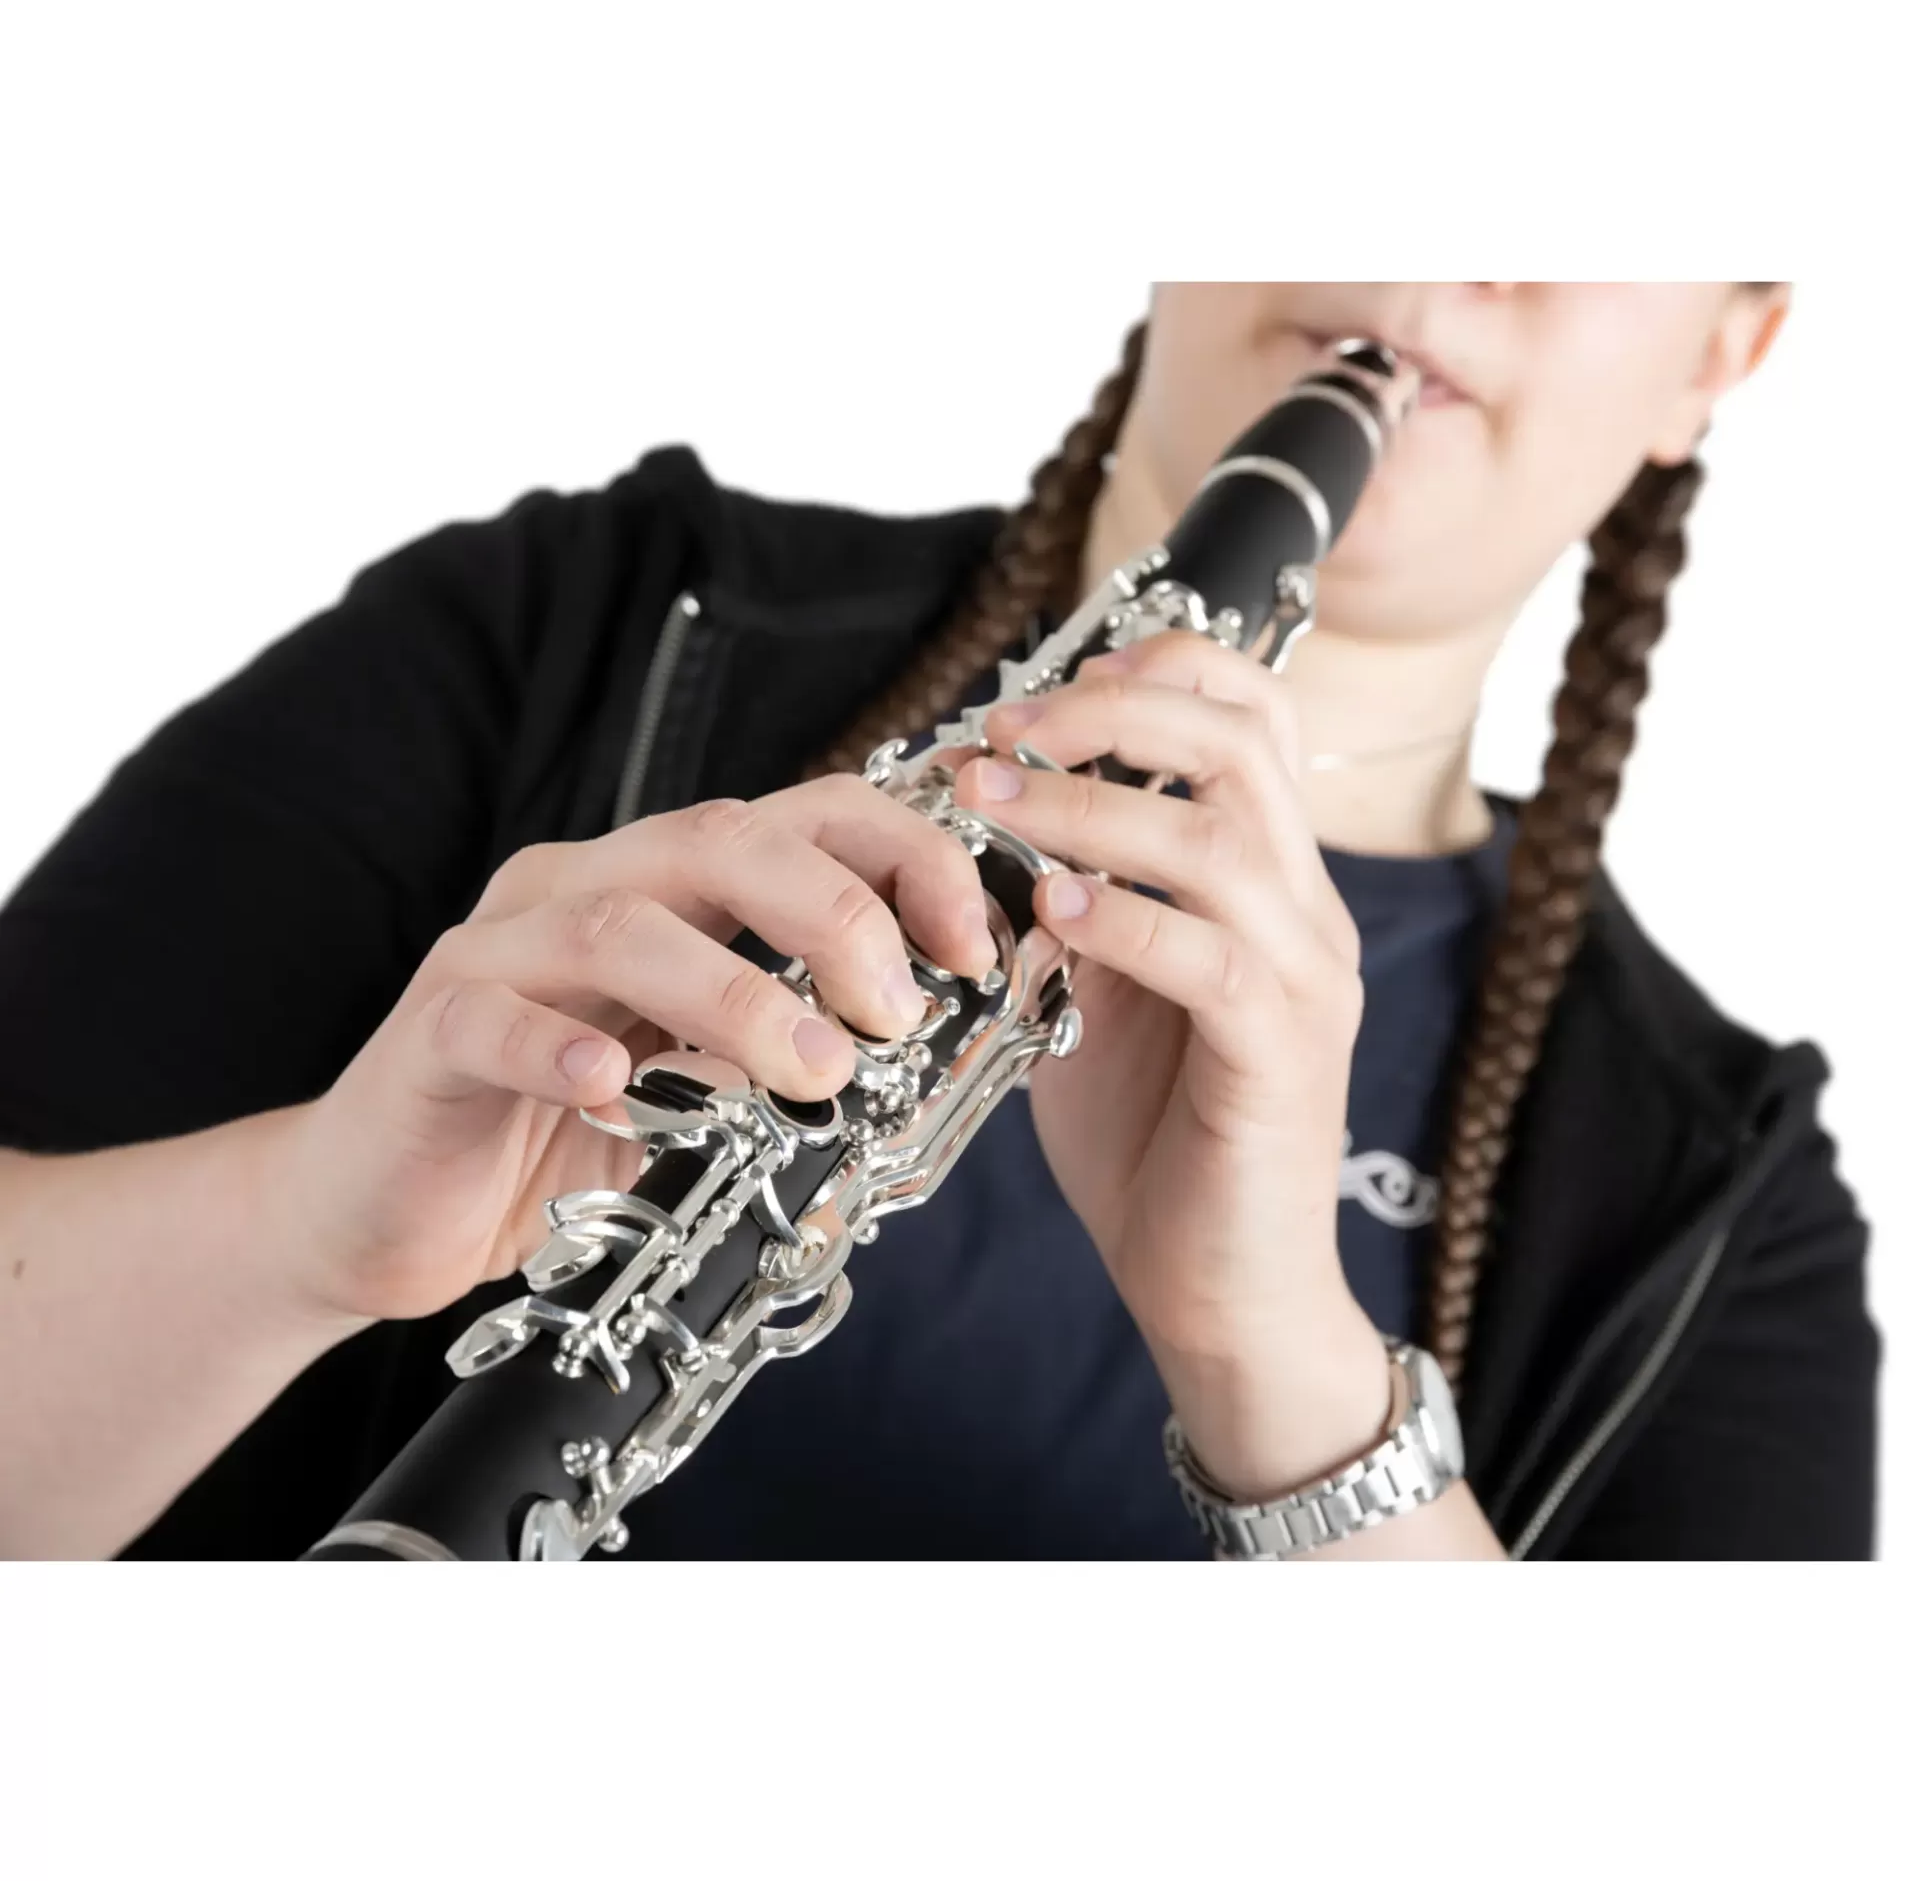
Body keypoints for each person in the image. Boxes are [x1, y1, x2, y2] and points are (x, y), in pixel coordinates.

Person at [0, 283, 1878, 1561]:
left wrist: (1281, 1364)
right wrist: (300, 1230)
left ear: (1728, 345)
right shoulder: (577, 622)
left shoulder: (1719, 1192)